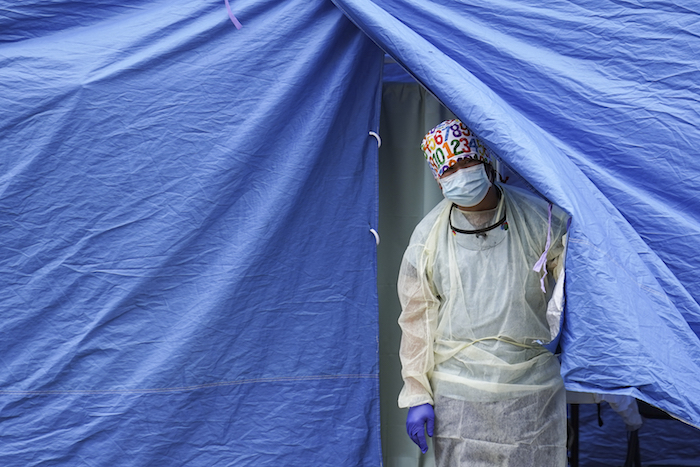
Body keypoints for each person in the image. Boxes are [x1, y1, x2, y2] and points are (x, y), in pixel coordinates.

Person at [397, 119, 569, 466]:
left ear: (486, 161)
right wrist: (417, 394)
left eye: (466, 163)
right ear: (438, 179)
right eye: (449, 170)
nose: (459, 175)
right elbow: (417, 322)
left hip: (530, 392)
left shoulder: (541, 218)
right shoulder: (428, 238)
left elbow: (579, 282)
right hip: (458, 394)